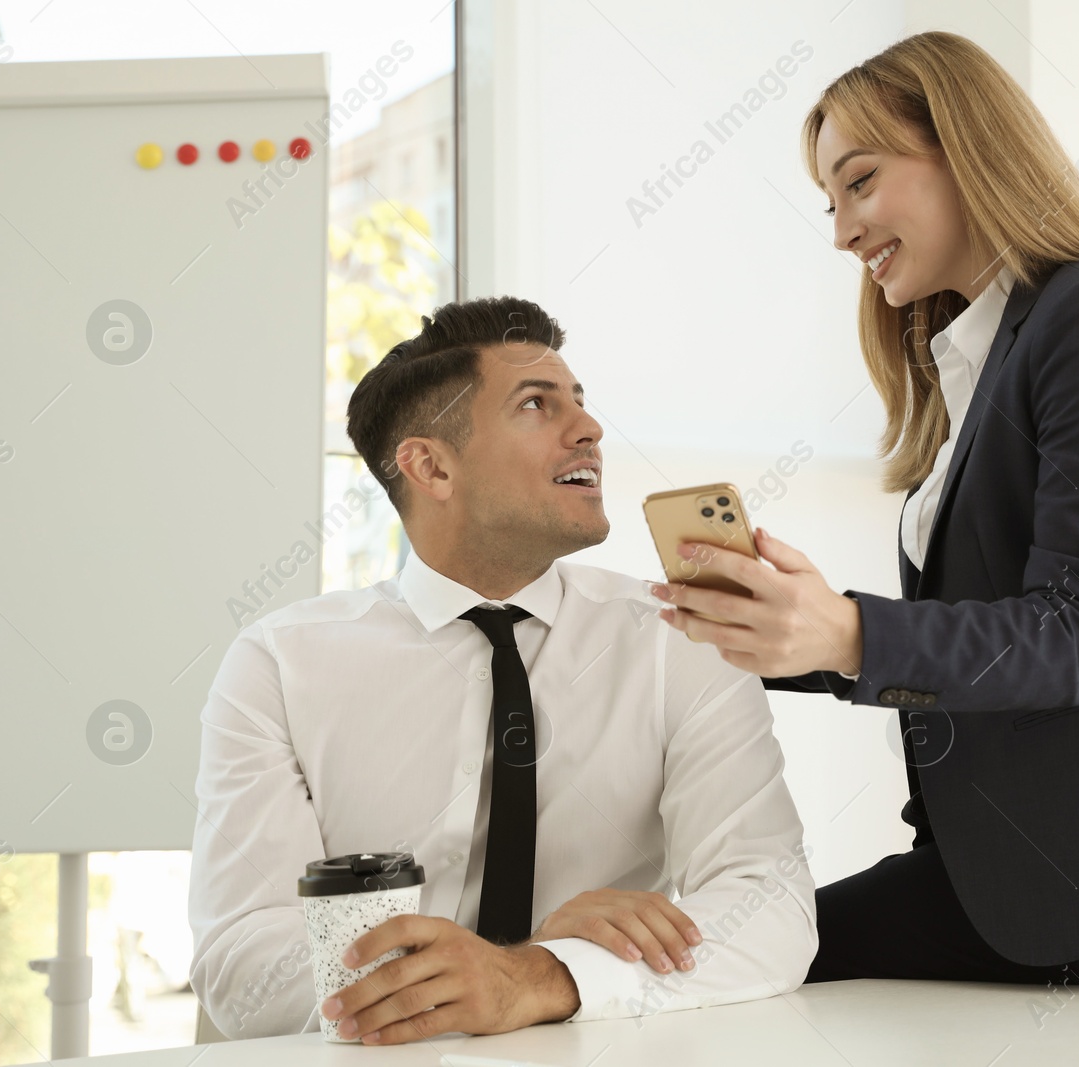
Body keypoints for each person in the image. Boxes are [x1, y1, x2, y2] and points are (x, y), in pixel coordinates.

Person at [648, 30, 1079, 988]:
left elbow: (1076, 636)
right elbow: (990, 624)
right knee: (728, 950)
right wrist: (786, 632)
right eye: (832, 201)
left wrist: (850, 635)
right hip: (1021, 864)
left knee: (723, 959)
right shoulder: (986, 353)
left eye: (860, 183)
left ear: (965, 147)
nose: (841, 230)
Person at [187, 297, 815, 1044]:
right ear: (431, 466)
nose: (588, 429)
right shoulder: (281, 665)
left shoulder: (678, 639)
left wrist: (543, 975)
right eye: (536, 405)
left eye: (579, 402)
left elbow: (771, 908)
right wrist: (500, 967)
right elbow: (242, 963)